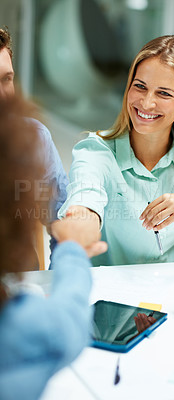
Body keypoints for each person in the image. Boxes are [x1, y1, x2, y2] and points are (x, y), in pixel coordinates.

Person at [58, 35, 174, 266]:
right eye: (140, 87)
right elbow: (85, 199)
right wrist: (80, 225)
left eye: (164, 93)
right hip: (110, 297)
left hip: (172, 293)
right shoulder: (96, 152)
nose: (146, 103)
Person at [0, 94, 107, 400]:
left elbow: (58, 215)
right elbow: (66, 324)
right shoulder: (30, 328)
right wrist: (72, 249)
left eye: (6, 79)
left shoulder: (32, 137)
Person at [0, 27, 68, 267]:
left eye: (6, 79)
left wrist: (57, 281)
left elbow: (62, 219)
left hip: (22, 285)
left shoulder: (34, 138)